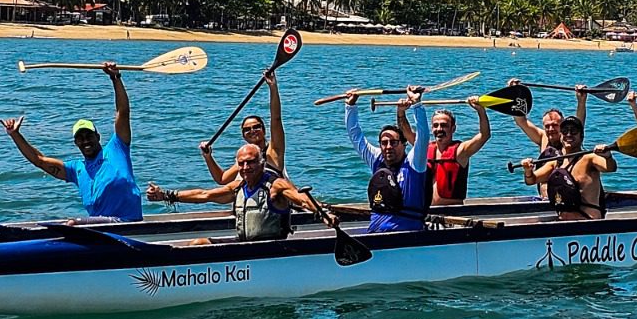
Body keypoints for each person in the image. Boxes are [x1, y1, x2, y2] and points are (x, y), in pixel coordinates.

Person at [0, 62, 142, 223]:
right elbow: (38, 160)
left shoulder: (117, 148)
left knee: (72, 224)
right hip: (103, 228)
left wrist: (115, 77)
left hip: (127, 222)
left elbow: (122, 112)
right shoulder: (76, 170)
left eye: (89, 136)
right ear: (76, 143)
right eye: (80, 138)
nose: (85, 141)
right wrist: (15, 135)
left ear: (98, 136)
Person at [145, 143, 331, 244]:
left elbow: (301, 198)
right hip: (242, 245)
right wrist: (166, 195)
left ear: (262, 162)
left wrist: (323, 214)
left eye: (250, 162)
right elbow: (205, 195)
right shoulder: (238, 187)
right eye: (241, 163)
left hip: (271, 249)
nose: (245, 167)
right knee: (198, 243)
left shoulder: (275, 185)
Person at [346, 85, 430, 232]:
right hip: (376, 233)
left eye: (394, 142)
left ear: (404, 145)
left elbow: (423, 137)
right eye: (384, 143)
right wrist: (350, 106)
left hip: (407, 235)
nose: (388, 147)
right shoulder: (376, 160)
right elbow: (355, 135)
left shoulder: (414, 163)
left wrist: (417, 105)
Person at [395, 97, 492, 205]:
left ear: (453, 129)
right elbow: (406, 132)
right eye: (436, 125)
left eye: (444, 125)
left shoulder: (460, 151)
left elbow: (484, 135)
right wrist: (401, 112)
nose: (439, 129)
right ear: (431, 128)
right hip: (426, 211)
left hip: (453, 211)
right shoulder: (425, 148)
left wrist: (480, 111)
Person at [520, 116, 616, 220]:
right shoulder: (556, 162)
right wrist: (528, 170)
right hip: (564, 222)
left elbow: (610, 167)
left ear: (581, 136)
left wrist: (607, 156)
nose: (569, 135)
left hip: (588, 221)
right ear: (560, 136)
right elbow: (531, 180)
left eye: (573, 131)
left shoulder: (590, 159)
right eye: (565, 131)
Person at [199, 71, 286, 184]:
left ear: (264, 130)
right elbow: (222, 179)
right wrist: (208, 157)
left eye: (256, 127)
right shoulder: (246, 160)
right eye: (247, 129)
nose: (252, 131)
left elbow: (276, 118)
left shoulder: (273, 151)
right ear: (243, 136)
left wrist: (273, 87)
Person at [509, 81, 586, 198]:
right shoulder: (542, 137)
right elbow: (521, 121)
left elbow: (579, 123)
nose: (551, 129)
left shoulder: (569, 139)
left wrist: (581, 101)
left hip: (567, 197)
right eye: (547, 126)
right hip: (545, 199)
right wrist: (515, 93)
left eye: (555, 125)